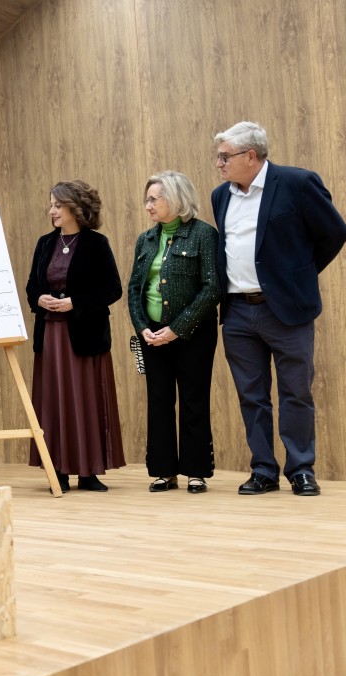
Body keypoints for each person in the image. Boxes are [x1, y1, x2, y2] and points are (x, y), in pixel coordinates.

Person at [211, 122, 346, 497]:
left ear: (250, 156)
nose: (219, 164)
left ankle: (301, 469)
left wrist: (297, 277)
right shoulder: (220, 196)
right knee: (251, 395)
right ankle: (263, 470)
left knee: (295, 392)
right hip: (238, 312)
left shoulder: (298, 183)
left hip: (286, 310)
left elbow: (334, 233)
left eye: (225, 157)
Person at [26, 180, 125, 493]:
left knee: (84, 402)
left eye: (58, 205)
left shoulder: (97, 243)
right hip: (50, 338)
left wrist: (74, 303)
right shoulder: (44, 243)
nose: (52, 210)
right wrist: (39, 299)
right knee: (53, 402)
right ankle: (58, 471)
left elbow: (113, 289)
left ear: (75, 208)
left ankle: (88, 472)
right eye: (52, 205)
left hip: (84, 336)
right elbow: (31, 286)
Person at [127, 171, 221, 494]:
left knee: (194, 399)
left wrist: (177, 329)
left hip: (193, 333)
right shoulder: (146, 240)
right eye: (147, 199)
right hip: (152, 336)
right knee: (159, 400)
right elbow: (135, 289)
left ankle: (196, 471)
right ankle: (163, 471)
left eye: (155, 198)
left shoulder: (203, 234)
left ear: (176, 198)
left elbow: (211, 288)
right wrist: (142, 328)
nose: (148, 205)